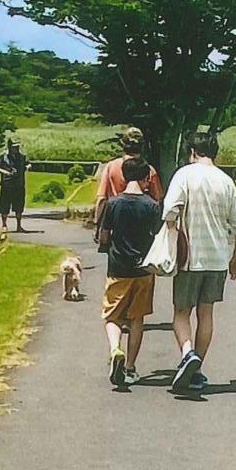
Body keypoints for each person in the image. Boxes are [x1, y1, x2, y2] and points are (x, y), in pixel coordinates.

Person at [158, 129, 236, 394]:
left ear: (192, 152)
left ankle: (187, 354)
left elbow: (169, 211)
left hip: (190, 257)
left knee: (181, 311)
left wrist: (174, 231)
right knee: (206, 312)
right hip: (218, 258)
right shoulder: (226, 182)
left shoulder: (184, 175)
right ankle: (196, 370)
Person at [92, 155, 163, 390]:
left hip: (118, 267)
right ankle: (131, 368)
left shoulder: (113, 204)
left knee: (112, 315)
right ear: (146, 178)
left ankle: (115, 349)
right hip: (143, 269)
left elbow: (104, 236)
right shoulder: (152, 206)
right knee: (136, 319)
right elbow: (158, 235)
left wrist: (107, 244)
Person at [95, 126, 163, 205]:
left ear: (123, 145)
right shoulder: (149, 170)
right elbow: (157, 199)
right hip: (141, 215)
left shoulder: (110, 167)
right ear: (142, 146)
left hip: (116, 213)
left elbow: (101, 198)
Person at [0, 134, 30, 233]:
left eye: (17, 147)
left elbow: (28, 164)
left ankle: (19, 225)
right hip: (7, 184)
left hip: (19, 185)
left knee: (19, 206)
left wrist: (27, 167)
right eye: (14, 147)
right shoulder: (3, 156)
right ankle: (4, 224)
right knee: (4, 205)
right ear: (10, 147)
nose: (16, 148)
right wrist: (6, 172)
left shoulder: (22, 157)